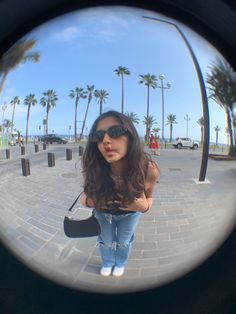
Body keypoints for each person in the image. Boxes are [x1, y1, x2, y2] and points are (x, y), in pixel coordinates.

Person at [80, 111, 159, 277]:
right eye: (98, 136)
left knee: (123, 243)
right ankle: (108, 262)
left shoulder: (148, 169)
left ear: (130, 137)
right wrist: (90, 202)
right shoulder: (92, 167)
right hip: (102, 215)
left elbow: (150, 196)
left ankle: (120, 263)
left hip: (129, 216)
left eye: (115, 132)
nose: (106, 141)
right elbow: (84, 196)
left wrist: (144, 207)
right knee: (105, 242)